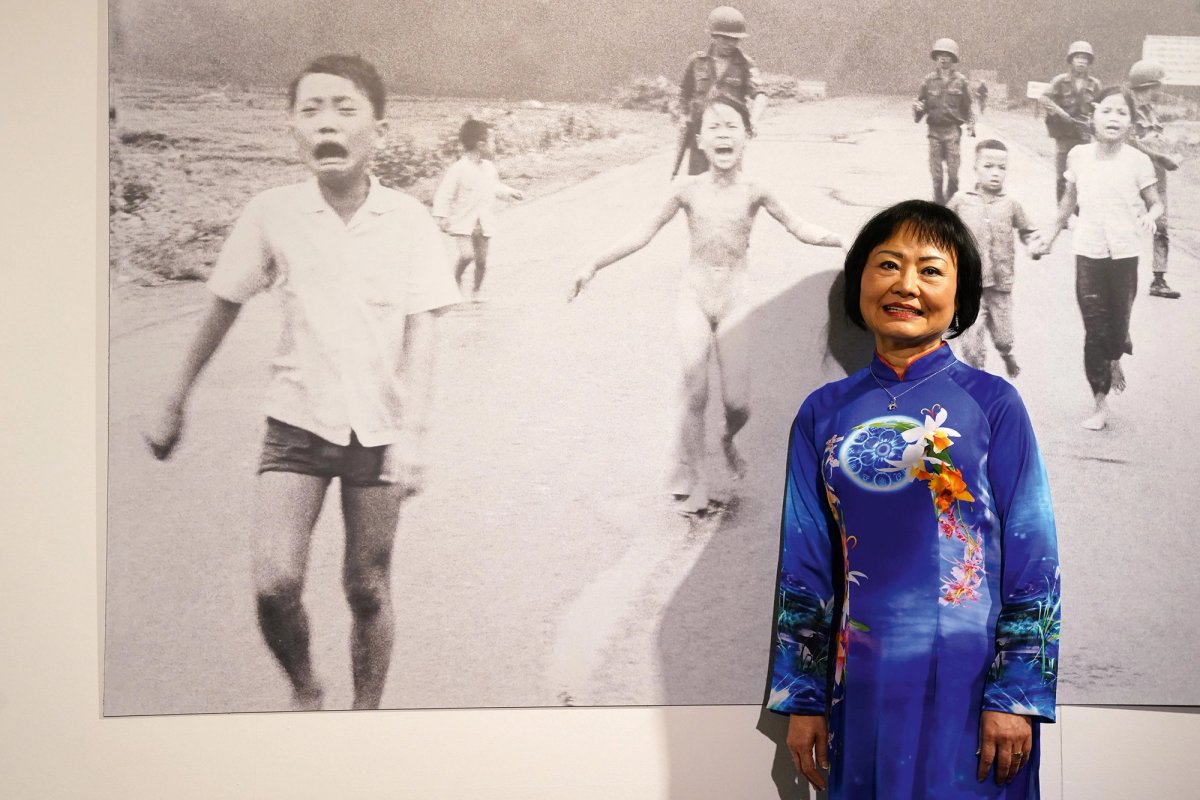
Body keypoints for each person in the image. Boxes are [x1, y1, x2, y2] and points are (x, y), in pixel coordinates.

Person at [143, 55, 461, 710]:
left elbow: (424, 330)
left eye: (344, 108)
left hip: (378, 432)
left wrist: (415, 436)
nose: (326, 123)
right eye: (310, 109)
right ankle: (307, 689)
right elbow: (223, 303)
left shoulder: (409, 221)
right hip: (296, 425)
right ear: (293, 128)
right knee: (273, 584)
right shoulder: (272, 213)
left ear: (381, 128)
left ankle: (364, 717)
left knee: (366, 588)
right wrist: (174, 396)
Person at [767, 200, 1061, 797]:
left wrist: (1017, 693)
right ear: (860, 282)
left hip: (975, 690)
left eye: (930, 270)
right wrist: (803, 697)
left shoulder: (995, 405)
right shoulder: (822, 414)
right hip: (862, 689)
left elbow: (1035, 557)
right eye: (888, 265)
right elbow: (805, 564)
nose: (906, 285)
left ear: (961, 295)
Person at [570, 97, 844, 515]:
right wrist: (593, 263)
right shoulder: (687, 189)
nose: (722, 134)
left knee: (738, 404)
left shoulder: (756, 190)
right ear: (700, 140)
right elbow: (642, 233)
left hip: (736, 300)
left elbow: (799, 226)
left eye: (731, 126)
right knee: (695, 391)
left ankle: (727, 439)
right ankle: (697, 480)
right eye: (713, 127)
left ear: (747, 137)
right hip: (693, 298)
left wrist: (840, 241)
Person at [1038, 86, 1163, 431]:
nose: (1113, 118)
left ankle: (1115, 356)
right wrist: (1049, 235)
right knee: (1095, 327)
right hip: (1088, 250)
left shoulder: (1138, 161)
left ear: (1131, 123)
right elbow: (1067, 203)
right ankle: (1100, 402)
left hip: (1125, 253)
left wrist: (1151, 215)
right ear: (1093, 116)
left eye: (1122, 113)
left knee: (1118, 327)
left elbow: (1156, 202)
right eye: (1107, 110)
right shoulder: (1078, 156)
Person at [948, 139, 1041, 377]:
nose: (995, 173)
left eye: (1001, 168)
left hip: (1000, 284)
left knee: (1003, 335)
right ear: (975, 168)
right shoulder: (960, 201)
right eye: (988, 166)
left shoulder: (1011, 204)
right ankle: (977, 379)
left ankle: (1006, 353)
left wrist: (1034, 244)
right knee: (971, 340)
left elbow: (1027, 230)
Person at [433, 118, 524, 301]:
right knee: (467, 255)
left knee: (481, 261)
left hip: (483, 223)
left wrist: (511, 192)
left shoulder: (489, 168)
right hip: (463, 223)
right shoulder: (458, 169)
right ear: (480, 145)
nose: (494, 146)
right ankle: (455, 280)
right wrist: (441, 216)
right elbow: (445, 194)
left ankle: (476, 291)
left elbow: (494, 187)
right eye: (492, 142)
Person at [674, 5, 767, 177]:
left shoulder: (745, 64)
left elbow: (760, 95)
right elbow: (684, 94)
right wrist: (683, 116)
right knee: (697, 181)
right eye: (725, 38)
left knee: (730, 180)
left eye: (735, 39)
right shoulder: (697, 62)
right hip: (701, 132)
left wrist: (753, 121)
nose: (731, 43)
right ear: (714, 36)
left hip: (730, 133)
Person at [1126, 60, 1182, 299]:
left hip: (1157, 176)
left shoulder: (1150, 111)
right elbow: (1130, 143)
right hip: (1134, 176)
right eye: (1157, 85)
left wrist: (1169, 153)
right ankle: (1118, 276)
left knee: (1161, 226)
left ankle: (1159, 279)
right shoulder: (1128, 110)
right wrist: (1161, 156)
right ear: (1148, 85)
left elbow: (1154, 138)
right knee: (1127, 224)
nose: (1159, 90)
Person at [913, 38, 975, 205]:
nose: (943, 58)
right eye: (940, 55)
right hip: (934, 132)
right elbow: (920, 106)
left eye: (947, 55)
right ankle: (939, 205)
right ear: (936, 57)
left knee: (953, 175)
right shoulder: (928, 81)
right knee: (937, 176)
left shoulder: (961, 81)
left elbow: (968, 106)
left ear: (953, 59)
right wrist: (917, 109)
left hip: (952, 131)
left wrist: (971, 125)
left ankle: (952, 206)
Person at [1039, 41, 1101, 204]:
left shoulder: (1094, 84)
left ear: (1089, 62)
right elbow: (1044, 98)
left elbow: (1100, 108)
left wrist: (1094, 124)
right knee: (1062, 173)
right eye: (1078, 57)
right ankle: (1061, 208)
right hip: (1064, 133)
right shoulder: (1060, 81)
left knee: (1082, 171)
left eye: (1085, 58)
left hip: (1084, 133)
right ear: (1071, 60)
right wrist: (1061, 113)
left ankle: (1078, 207)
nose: (1081, 61)